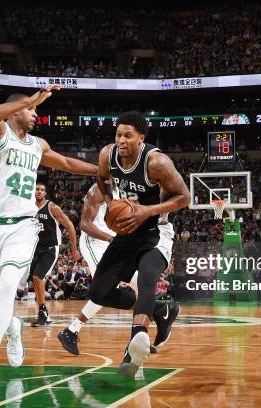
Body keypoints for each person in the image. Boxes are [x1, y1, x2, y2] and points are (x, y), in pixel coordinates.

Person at [0, 85, 97, 388]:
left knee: (10, 285)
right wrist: (27, 99)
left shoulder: (37, 144)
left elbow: (65, 163)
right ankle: (12, 329)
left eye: (35, 109)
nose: (36, 114)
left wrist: (100, 171)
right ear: (15, 112)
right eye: (31, 110)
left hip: (23, 226)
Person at [87, 111, 190, 377]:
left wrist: (147, 210)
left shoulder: (156, 163)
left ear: (141, 138)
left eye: (128, 136)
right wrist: (111, 202)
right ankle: (160, 309)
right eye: (118, 134)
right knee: (98, 293)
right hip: (127, 231)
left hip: (156, 231)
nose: (121, 140)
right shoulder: (107, 155)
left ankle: (136, 343)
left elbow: (184, 198)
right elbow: (102, 178)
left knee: (146, 280)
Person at [57, 183, 138, 355]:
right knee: (105, 288)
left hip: (112, 241)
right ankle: (72, 330)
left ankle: (71, 331)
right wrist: (110, 238)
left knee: (138, 281)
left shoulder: (118, 188)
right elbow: (85, 225)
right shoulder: (99, 189)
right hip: (95, 242)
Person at [29, 182, 80, 327]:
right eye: (37, 189)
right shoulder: (29, 207)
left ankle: (42, 313)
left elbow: (69, 225)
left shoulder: (52, 207)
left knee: (37, 277)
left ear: (45, 193)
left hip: (50, 248)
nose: (39, 191)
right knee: (34, 279)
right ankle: (43, 313)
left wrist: (74, 248)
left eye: (42, 190)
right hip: (35, 248)